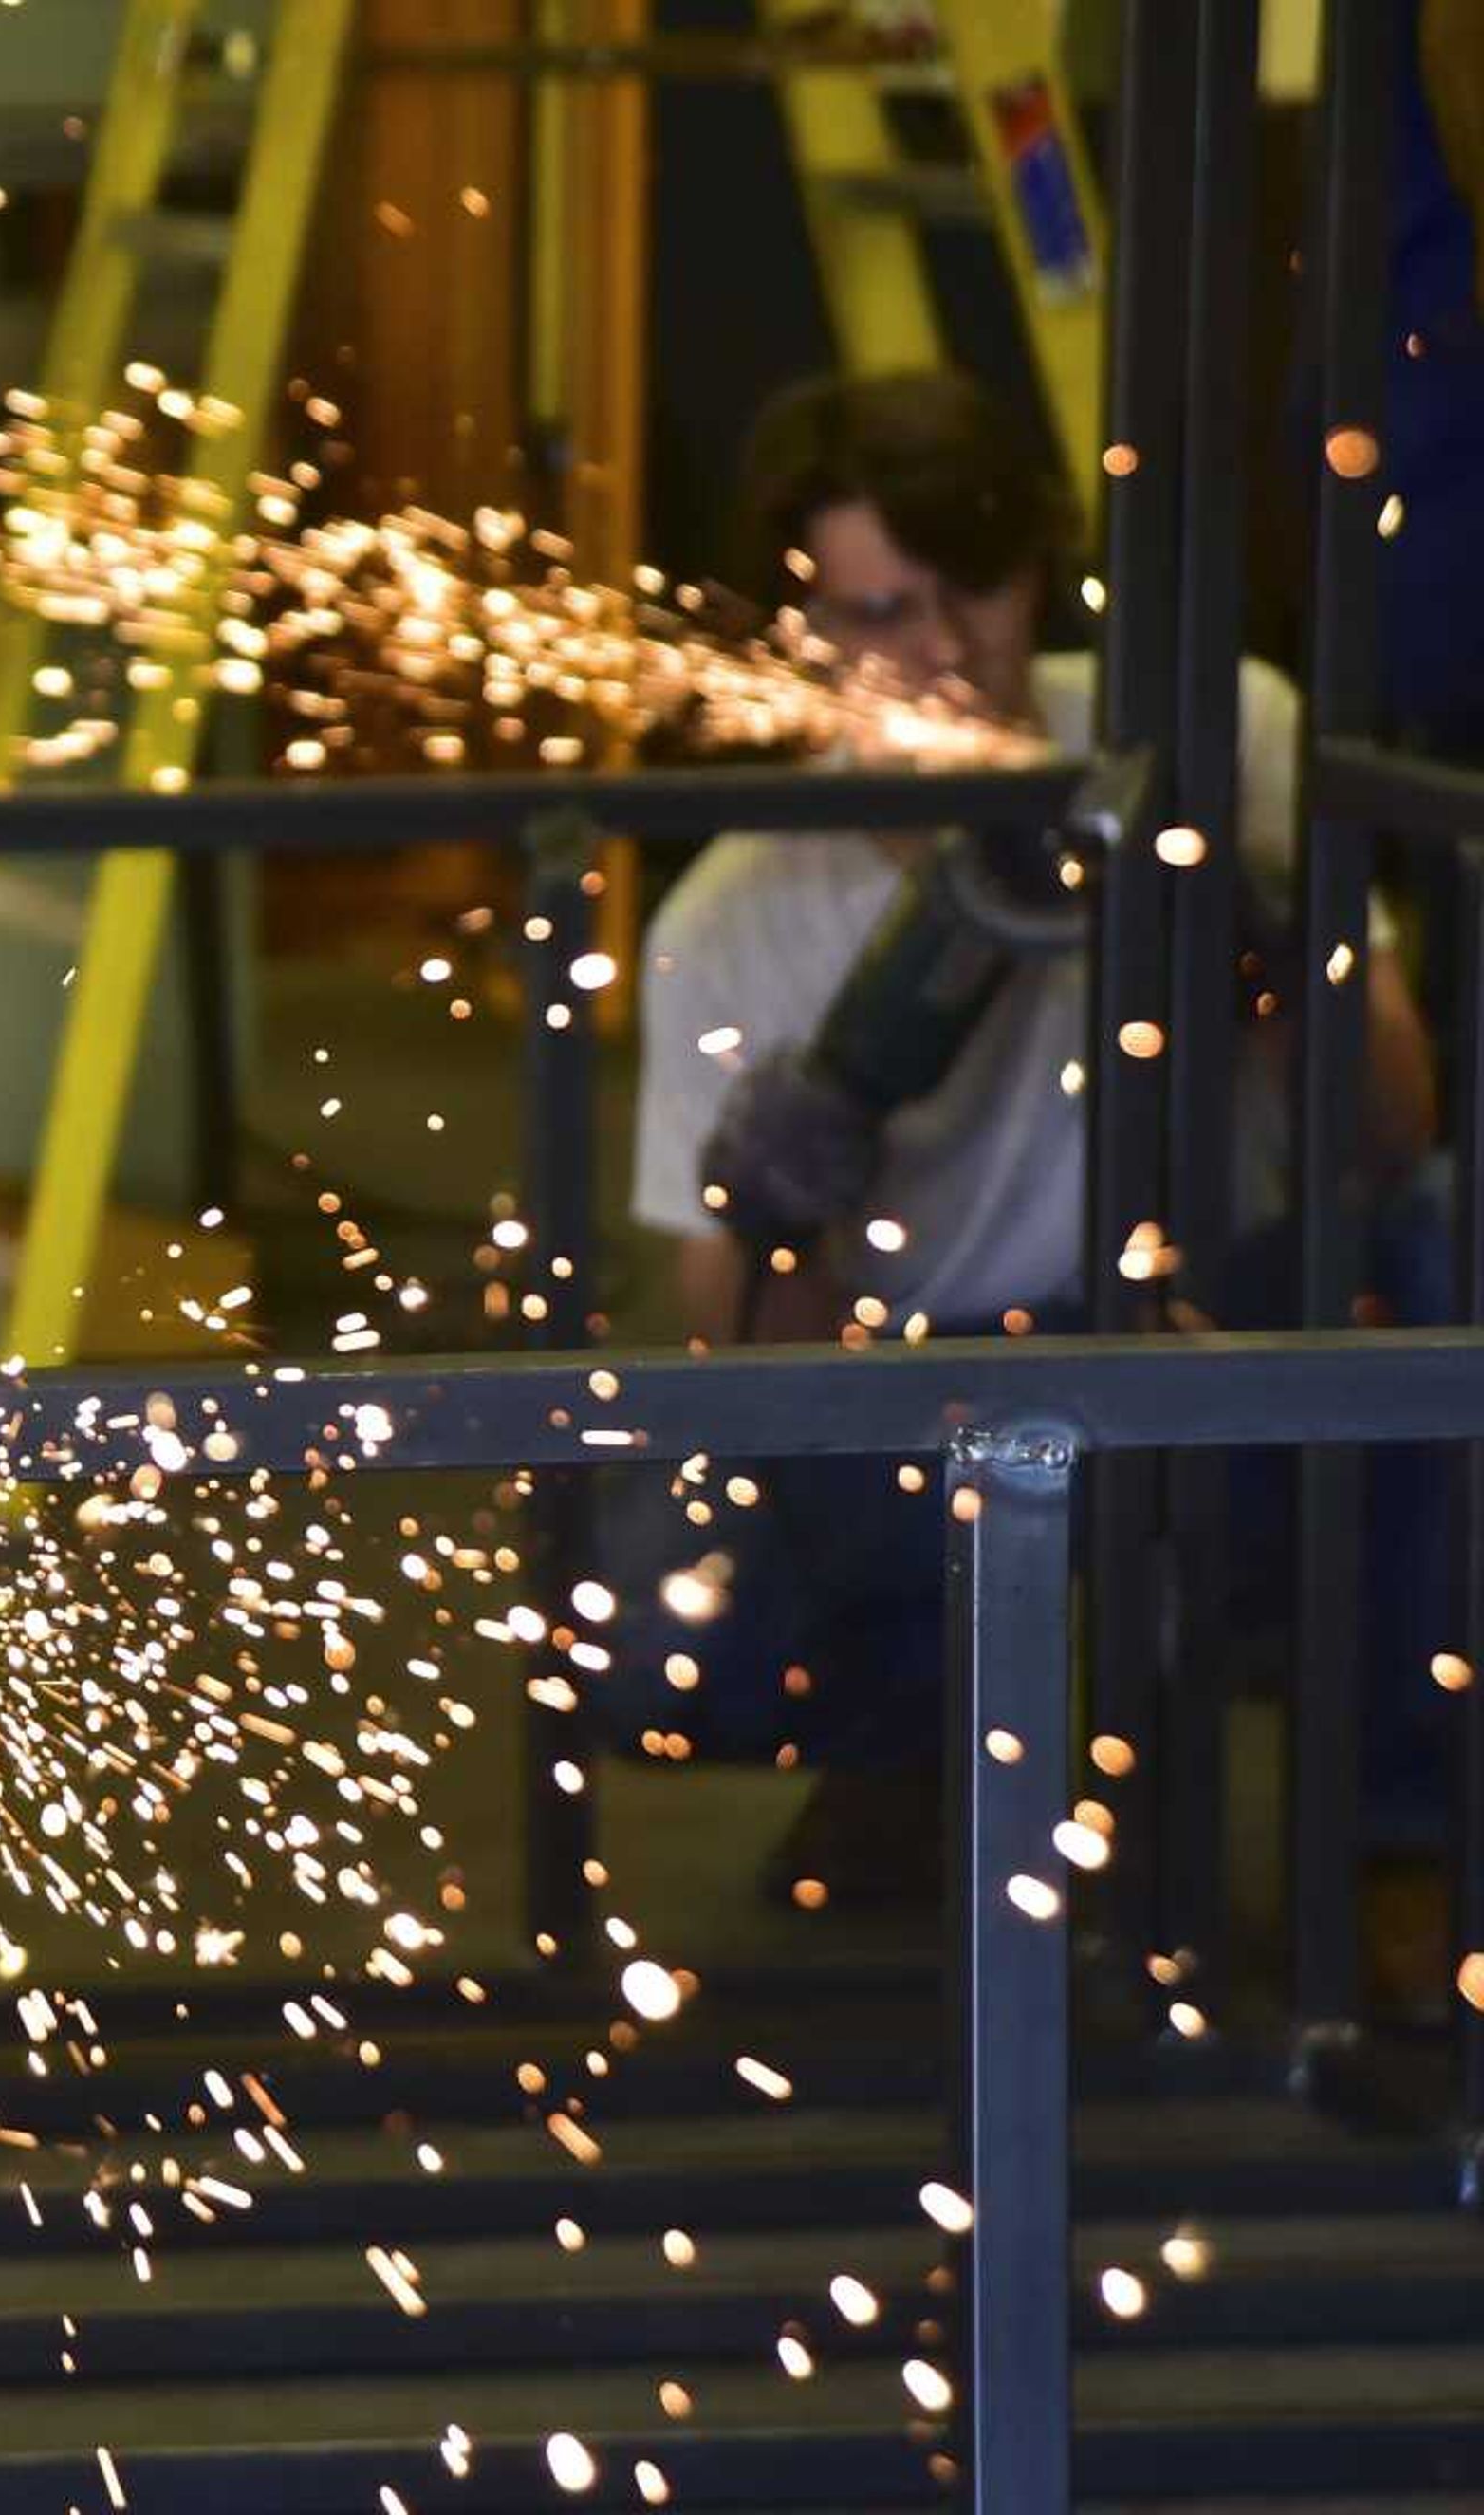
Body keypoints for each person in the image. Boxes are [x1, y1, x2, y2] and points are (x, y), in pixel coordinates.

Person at [607, 369, 1441, 1907]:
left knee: (1449, 1259)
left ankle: (1405, 1854)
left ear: (1035, 572)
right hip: (927, 1408)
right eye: (880, 613)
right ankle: (907, 1756)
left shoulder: (1218, 732)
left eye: (973, 592)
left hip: (1220, 1336)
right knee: (655, 1616)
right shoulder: (735, 913)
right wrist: (784, 1192)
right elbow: (735, 1366)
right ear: (803, 633)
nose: (940, 654)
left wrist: (1260, 941)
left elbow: (1399, 1132)